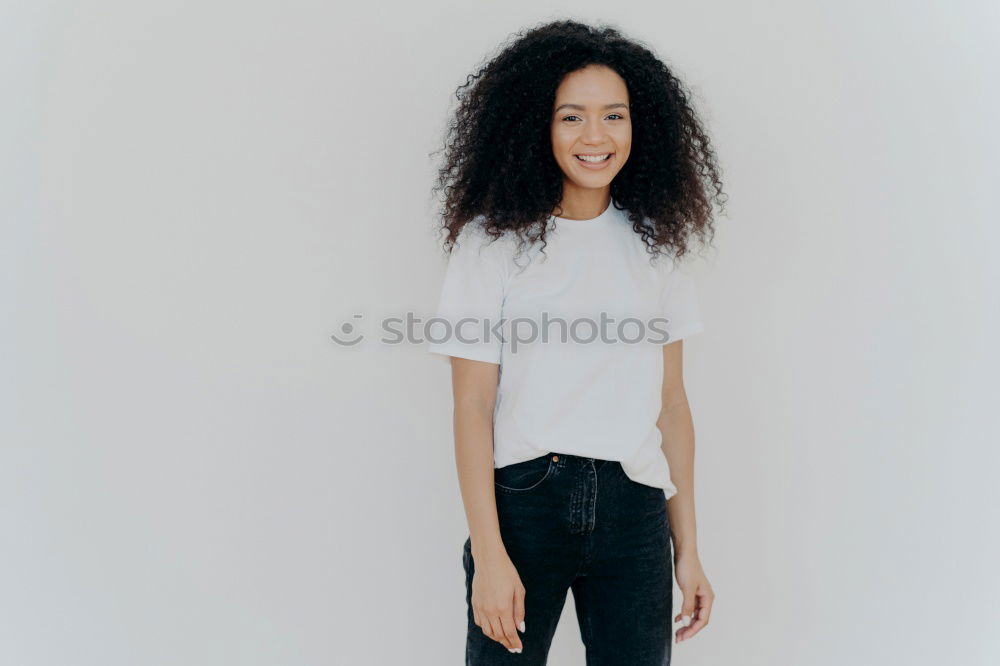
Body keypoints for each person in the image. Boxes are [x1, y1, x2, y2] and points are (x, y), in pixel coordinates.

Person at [427, 19, 727, 665]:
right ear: (536, 124)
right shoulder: (492, 245)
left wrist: (689, 550)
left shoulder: (655, 246)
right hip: (527, 504)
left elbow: (672, 403)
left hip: (637, 508)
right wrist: (490, 555)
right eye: (572, 117)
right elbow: (472, 405)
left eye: (614, 116)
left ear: (639, 123)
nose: (596, 137)